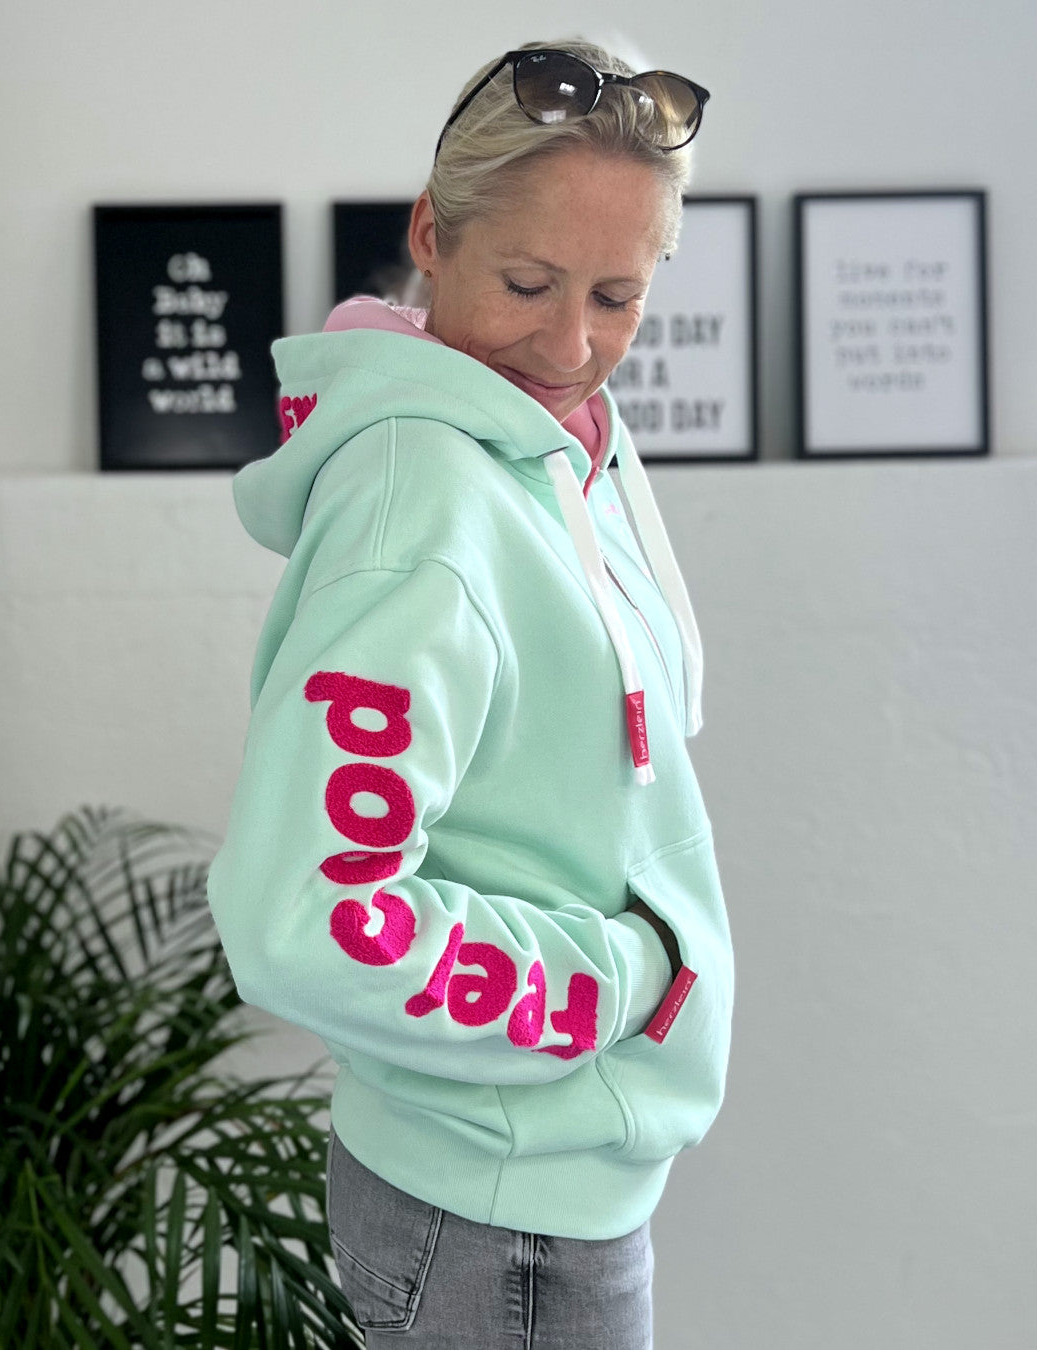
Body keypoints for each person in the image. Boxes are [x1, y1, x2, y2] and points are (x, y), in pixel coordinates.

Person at [207, 36, 733, 1350]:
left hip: (543, 1175)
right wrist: (618, 982)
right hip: (499, 1213)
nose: (571, 343)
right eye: (528, 283)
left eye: (619, 296)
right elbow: (304, 916)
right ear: (432, 237)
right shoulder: (422, 504)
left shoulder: (561, 448)